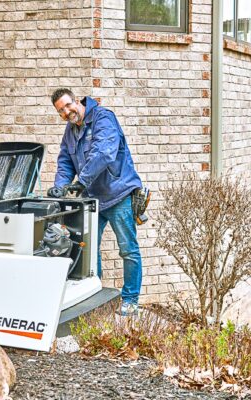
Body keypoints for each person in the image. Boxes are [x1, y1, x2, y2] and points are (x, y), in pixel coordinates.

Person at [47, 88, 143, 316]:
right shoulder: (70, 131)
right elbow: (65, 161)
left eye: (68, 105)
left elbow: (104, 152)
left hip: (118, 195)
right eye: (61, 110)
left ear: (77, 101)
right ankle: (93, 294)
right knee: (89, 251)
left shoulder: (103, 118)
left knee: (128, 249)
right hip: (93, 199)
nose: (66, 112)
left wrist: (82, 181)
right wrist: (60, 186)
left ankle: (130, 300)